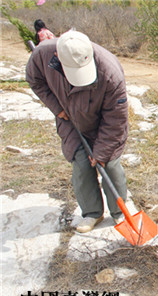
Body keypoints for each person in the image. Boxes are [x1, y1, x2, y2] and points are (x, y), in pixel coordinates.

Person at [26, 30, 129, 233]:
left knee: (110, 164)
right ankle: (92, 213)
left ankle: (120, 214)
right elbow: (35, 80)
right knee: (81, 164)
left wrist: (100, 152)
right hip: (69, 120)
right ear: (58, 58)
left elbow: (115, 120)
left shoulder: (110, 72)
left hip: (103, 122)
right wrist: (57, 108)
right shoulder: (42, 55)